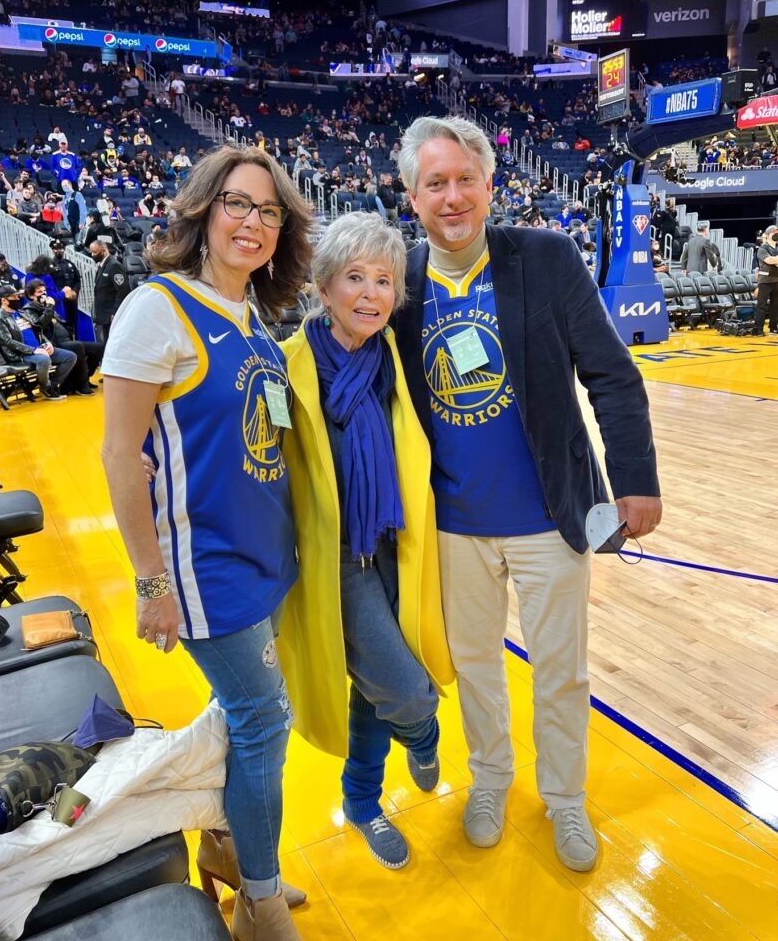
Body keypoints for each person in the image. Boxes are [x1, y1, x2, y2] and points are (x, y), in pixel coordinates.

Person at [393, 116, 661, 873]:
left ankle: (565, 797)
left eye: (463, 180)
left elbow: (611, 372)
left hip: (549, 514)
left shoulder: (544, 257)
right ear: (410, 197)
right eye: (434, 184)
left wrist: (635, 479)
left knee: (560, 668)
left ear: (488, 185)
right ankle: (490, 780)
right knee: (474, 665)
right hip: (450, 522)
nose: (451, 197)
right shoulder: (398, 280)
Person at [100, 146, 313, 941]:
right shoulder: (158, 308)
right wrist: (150, 582)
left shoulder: (255, 321)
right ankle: (257, 899)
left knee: (241, 713)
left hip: (264, 559)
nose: (252, 223)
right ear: (200, 211)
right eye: (235, 203)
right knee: (263, 719)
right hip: (204, 567)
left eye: (268, 212)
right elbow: (122, 455)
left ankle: (227, 847)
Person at [277, 212, 454, 871]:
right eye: (355, 277)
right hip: (333, 558)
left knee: (371, 689)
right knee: (406, 690)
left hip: (400, 543)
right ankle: (424, 731)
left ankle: (360, 801)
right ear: (324, 288)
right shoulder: (289, 365)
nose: (371, 293)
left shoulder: (396, 363)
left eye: (383, 280)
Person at [0, 285, 76, 401]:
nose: (18, 299)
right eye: (14, 297)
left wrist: (47, 342)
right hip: (22, 354)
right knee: (44, 360)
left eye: (18, 296)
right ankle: (46, 387)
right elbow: (9, 342)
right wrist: (34, 350)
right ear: (4, 300)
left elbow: (37, 329)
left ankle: (52, 385)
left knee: (70, 357)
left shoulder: (21, 312)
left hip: (39, 348)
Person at [21, 278, 102, 395]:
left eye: (44, 291)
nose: (43, 294)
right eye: (39, 292)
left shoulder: (46, 306)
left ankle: (82, 378)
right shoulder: (29, 309)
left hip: (67, 339)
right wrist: (49, 307)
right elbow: (39, 325)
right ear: (31, 295)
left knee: (99, 348)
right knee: (78, 346)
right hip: (53, 343)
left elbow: (60, 321)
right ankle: (81, 384)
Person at [89, 241, 130, 344]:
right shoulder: (102, 265)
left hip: (111, 313)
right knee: (108, 341)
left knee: (115, 342)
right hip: (104, 314)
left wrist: (115, 312)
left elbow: (122, 290)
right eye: (91, 252)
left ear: (104, 251)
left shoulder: (114, 265)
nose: (92, 255)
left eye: (95, 252)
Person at [753, 224, 778, 336]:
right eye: (774, 233)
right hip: (765, 281)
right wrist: (775, 260)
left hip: (776, 279)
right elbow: (769, 260)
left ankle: (773, 327)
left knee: (775, 305)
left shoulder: (776, 249)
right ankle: (758, 329)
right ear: (767, 235)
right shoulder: (762, 249)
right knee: (762, 305)